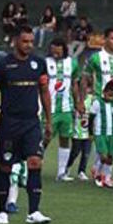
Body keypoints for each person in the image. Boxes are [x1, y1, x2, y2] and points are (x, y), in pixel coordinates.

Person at [0, 25, 52, 224]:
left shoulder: (38, 64)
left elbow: (44, 92)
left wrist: (48, 120)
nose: (29, 45)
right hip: (10, 123)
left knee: (35, 162)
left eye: (31, 41)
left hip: (31, 122)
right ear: (15, 42)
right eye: (25, 41)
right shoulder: (4, 65)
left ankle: (34, 211)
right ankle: (1, 210)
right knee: (6, 166)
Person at [44, 38, 82, 182]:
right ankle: (31, 167)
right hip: (50, 109)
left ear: (64, 50)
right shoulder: (45, 63)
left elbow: (74, 84)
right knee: (45, 138)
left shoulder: (72, 63)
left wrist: (78, 102)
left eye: (58, 52)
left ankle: (61, 172)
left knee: (65, 139)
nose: (55, 54)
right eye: (53, 51)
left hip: (66, 109)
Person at [88, 80, 113, 188]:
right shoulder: (97, 103)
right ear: (104, 92)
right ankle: (97, 173)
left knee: (110, 157)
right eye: (109, 92)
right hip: (100, 133)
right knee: (103, 156)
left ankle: (107, 178)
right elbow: (91, 118)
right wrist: (90, 133)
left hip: (112, 134)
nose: (111, 95)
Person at [65, 87, 93, 181]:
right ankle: (67, 168)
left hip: (88, 131)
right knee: (75, 152)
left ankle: (82, 171)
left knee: (86, 153)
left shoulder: (92, 100)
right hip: (77, 130)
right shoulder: (76, 99)